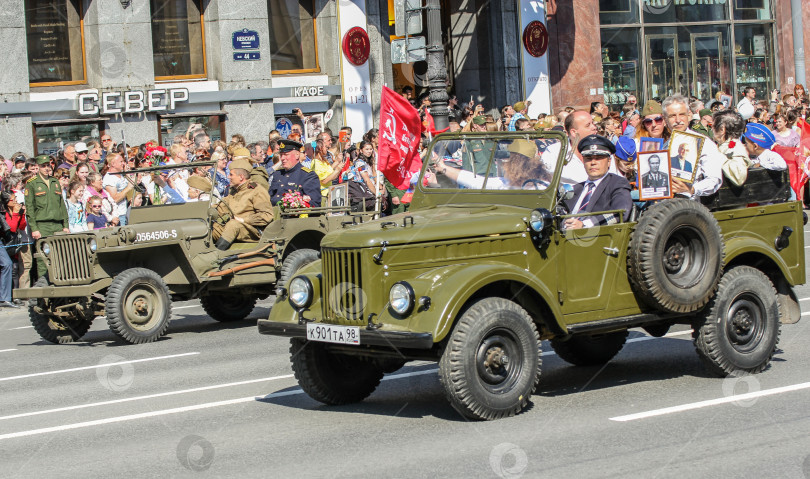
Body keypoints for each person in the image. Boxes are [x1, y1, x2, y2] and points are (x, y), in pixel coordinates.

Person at [562, 135, 632, 230]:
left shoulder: (617, 183)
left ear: (609, 161)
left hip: (598, 239)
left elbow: (621, 213)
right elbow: (559, 212)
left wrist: (584, 224)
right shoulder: (575, 188)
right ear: (583, 161)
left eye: (598, 158)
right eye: (588, 158)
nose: (593, 162)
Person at [662, 94, 724, 198]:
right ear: (665, 120)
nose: (678, 120)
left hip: (691, 206)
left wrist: (692, 189)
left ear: (689, 115)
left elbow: (714, 179)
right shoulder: (665, 146)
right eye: (672, 116)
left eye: (682, 114)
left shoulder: (704, 143)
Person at [435, 139, 550, 190]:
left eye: (508, 160)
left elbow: (474, 181)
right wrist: (443, 167)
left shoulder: (542, 187)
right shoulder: (504, 183)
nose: (504, 164)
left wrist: (443, 167)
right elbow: (474, 181)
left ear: (516, 164)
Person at [212, 158, 274, 250]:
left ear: (241, 177)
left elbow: (267, 215)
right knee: (210, 227)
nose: (228, 177)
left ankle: (216, 256)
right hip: (233, 227)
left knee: (233, 225)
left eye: (231, 174)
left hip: (252, 230)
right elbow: (222, 207)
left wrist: (243, 220)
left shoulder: (256, 191)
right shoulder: (234, 190)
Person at [24, 155, 69, 278]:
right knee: (43, 258)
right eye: (43, 166)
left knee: (60, 256)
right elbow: (30, 208)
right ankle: (43, 292)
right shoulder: (32, 184)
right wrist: (34, 228)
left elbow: (62, 205)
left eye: (48, 165)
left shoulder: (55, 182)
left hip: (57, 224)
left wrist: (65, 225)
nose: (46, 168)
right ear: (37, 167)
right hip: (42, 225)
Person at [268, 140, 322, 208]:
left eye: (286, 155)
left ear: (297, 155)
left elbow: (315, 204)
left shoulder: (308, 175)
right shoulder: (277, 174)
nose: (282, 158)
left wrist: (298, 203)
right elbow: (270, 197)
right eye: (281, 155)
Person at [712, 110, 750, 187]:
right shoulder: (723, 145)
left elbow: (739, 178)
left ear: (722, 129)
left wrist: (718, 156)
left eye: (712, 126)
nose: (711, 129)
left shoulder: (736, 149)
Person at [2, 191, 30, 292]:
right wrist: (15, 213)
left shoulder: (15, 211)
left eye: (15, 199)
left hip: (14, 245)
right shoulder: (4, 213)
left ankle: (16, 294)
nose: (15, 202)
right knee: (11, 267)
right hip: (6, 245)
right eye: (13, 200)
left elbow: (22, 227)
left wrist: (21, 215)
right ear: (6, 202)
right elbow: (11, 229)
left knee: (16, 267)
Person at [102, 153, 136, 226]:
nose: (123, 163)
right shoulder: (109, 179)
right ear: (113, 164)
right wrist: (128, 188)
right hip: (119, 214)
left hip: (126, 211)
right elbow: (114, 199)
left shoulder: (120, 175)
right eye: (121, 161)